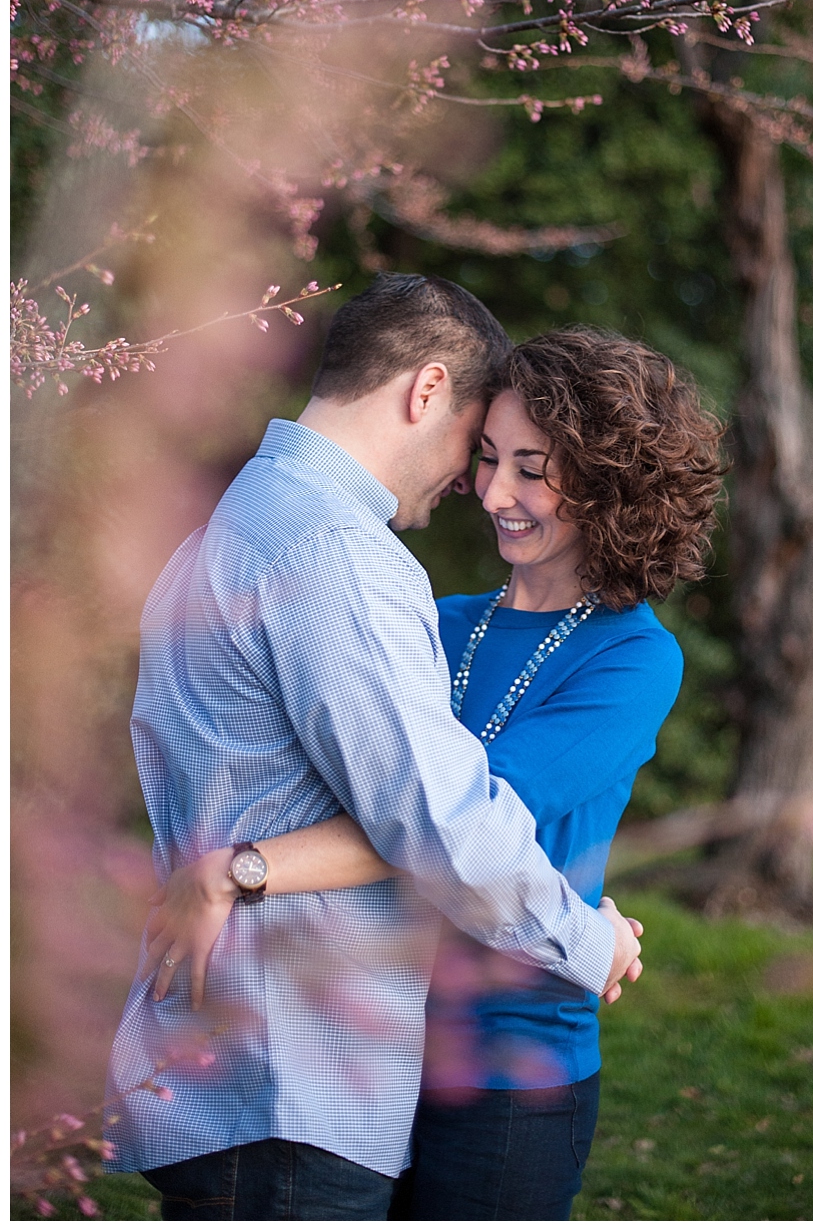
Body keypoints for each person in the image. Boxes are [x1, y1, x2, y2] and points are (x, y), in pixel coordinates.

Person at [143, 324, 725, 1220]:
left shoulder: (632, 660)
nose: (494, 493)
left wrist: (244, 871)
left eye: (533, 467)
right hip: (364, 1037)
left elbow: (464, 822)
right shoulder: (430, 612)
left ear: (613, 480)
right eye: (487, 457)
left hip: (506, 1067)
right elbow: (399, 808)